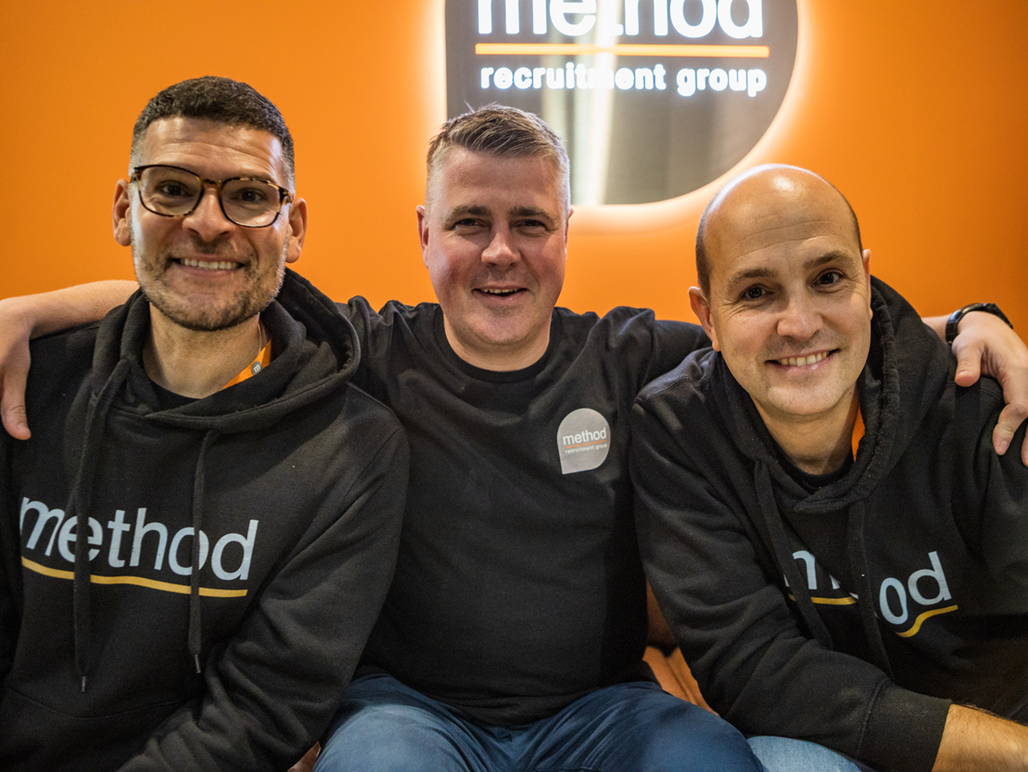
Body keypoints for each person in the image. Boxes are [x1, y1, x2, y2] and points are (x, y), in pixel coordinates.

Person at [2, 106, 1028, 772]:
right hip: (406, 710)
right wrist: (33, 310)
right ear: (423, 235)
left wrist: (964, 326)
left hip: (608, 707)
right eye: (469, 223)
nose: (500, 252)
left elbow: (791, 331)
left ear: (566, 233)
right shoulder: (361, 347)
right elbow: (213, 287)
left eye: (530, 222)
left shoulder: (639, 357)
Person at [0, 77, 409, 772]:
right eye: (172, 189)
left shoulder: (352, 448)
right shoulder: (24, 385)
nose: (208, 223)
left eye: (248, 195)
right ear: (125, 210)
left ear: (295, 228)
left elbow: (265, 702)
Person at [631, 164, 1028, 772]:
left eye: (828, 278)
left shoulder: (984, 402)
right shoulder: (677, 434)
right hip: (848, 745)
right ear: (707, 316)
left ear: (867, 284)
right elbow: (755, 670)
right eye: (756, 292)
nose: (800, 324)